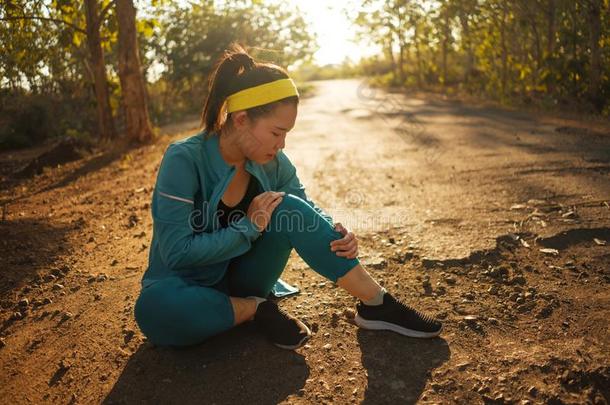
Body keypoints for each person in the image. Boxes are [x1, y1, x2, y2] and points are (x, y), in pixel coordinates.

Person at [133, 43, 442, 350]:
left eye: (286, 135)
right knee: (153, 309)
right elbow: (176, 252)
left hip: (244, 279)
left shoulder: (273, 162)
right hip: (184, 285)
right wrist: (248, 227)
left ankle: (377, 304)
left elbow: (305, 209)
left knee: (287, 207)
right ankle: (256, 310)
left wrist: (337, 232)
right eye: (276, 132)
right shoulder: (184, 159)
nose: (281, 145)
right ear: (241, 119)